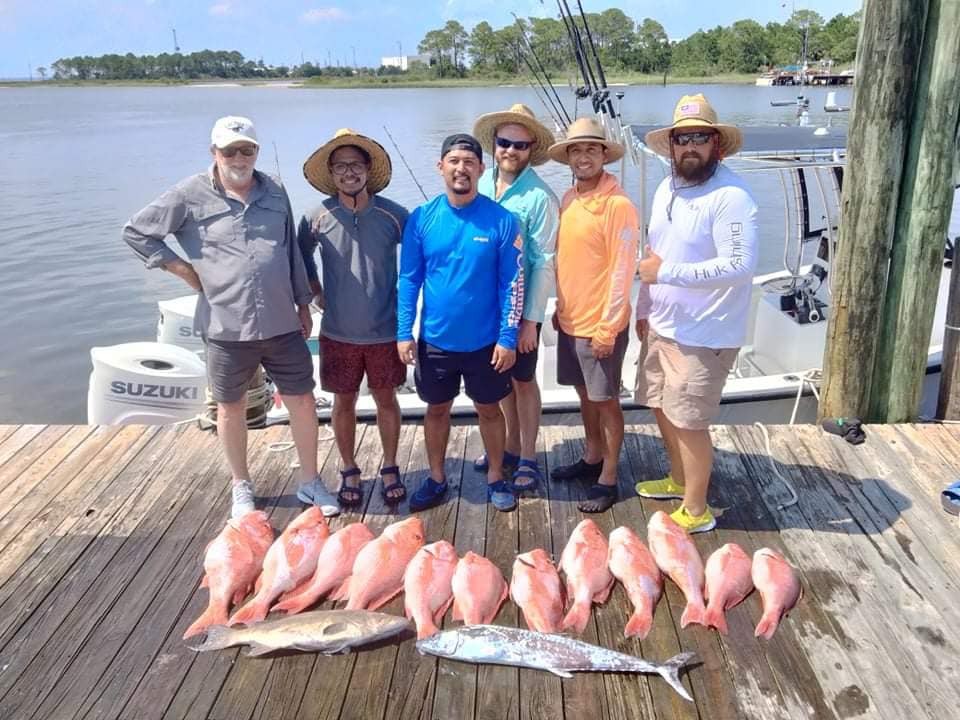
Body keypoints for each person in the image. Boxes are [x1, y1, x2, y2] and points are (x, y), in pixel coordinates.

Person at [123, 116, 337, 519]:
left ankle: (310, 480)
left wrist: (302, 302)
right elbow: (136, 232)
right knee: (230, 406)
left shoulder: (275, 190)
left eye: (247, 149)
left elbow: (291, 250)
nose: (239, 157)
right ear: (214, 153)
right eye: (229, 150)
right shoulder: (187, 194)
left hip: (281, 321)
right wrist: (182, 269)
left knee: (303, 401)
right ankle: (241, 486)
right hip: (225, 325)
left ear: (256, 151)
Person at [633, 93, 758, 533]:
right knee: (661, 407)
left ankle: (698, 508)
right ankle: (680, 477)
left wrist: (667, 272)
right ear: (670, 144)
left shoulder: (732, 196)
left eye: (699, 138)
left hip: (705, 334)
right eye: (681, 138)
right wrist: (645, 305)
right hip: (663, 325)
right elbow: (655, 255)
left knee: (689, 420)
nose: (689, 146)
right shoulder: (668, 186)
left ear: (716, 144)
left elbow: (740, 265)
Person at [396, 133, 525, 512]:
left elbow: (513, 282)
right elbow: (408, 279)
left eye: (469, 162)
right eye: (453, 161)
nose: (461, 168)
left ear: (482, 170)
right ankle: (436, 478)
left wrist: (508, 336)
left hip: (487, 342)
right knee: (437, 410)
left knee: (489, 409)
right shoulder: (421, 218)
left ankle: (496, 477)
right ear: (441, 167)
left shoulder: (503, 220)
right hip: (435, 340)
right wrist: (404, 331)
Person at [298, 129, 409, 508]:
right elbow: (299, 256)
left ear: (368, 170)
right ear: (331, 173)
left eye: (356, 165)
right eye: (341, 166)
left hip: (384, 330)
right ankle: (348, 467)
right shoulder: (316, 217)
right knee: (342, 403)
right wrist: (314, 290)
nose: (349, 173)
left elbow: (419, 259)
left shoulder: (394, 215)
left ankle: (391, 465)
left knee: (386, 400)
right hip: (337, 331)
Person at [547, 117, 639, 514]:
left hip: (601, 325)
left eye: (591, 149)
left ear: (604, 154)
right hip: (570, 321)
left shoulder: (618, 205)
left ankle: (611, 476)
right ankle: (592, 455)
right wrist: (558, 308)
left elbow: (623, 270)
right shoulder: (569, 198)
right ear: (568, 157)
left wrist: (609, 326)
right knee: (583, 395)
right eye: (576, 150)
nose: (583, 157)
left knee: (606, 401)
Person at [471, 104, 559, 495]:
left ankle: (527, 455)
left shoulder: (540, 197)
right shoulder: (480, 182)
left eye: (520, 145)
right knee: (498, 381)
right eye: (505, 142)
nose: (511, 150)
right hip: (483, 308)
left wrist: (530, 321)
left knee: (523, 380)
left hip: (521, 307)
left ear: (531, 149)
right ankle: (505, 446)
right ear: (494, 145)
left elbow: (544, 262)